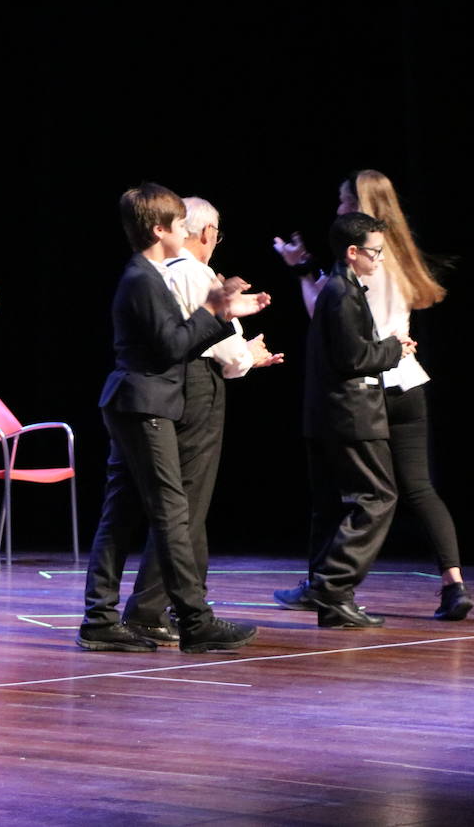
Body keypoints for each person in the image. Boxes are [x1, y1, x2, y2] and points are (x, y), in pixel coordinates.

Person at [272, 170, 471, 620]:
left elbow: (322, 313)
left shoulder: (359, 263)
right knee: (418, 488)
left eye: (343, 201)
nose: (339, 208)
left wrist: (302, 269)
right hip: (409, 382)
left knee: (349, 496)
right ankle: (453, 583)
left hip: (370, 387)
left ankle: (327, 585)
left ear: (358, 204)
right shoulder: (399, 256)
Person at [78, 183, 263, 655]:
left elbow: (173, 339)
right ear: (160, 229)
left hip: (137, 402)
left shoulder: (149, 274)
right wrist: (212, 310)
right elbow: (170, 346)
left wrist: (221, 312)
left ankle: (100, 619)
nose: (188, 232)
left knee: (121, 514)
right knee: (171, 511)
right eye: (181, 224)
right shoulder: (143, 277)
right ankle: (195, 621)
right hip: (145, 404)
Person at [121, 197, 283, 643]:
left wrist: (244, 354)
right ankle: (157, 608)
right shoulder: (194, 272)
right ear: (206, 232)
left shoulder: (166, 272)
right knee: (185, 508)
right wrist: (247, 356)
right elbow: (222, 346)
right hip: (196, 386)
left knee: (181, 507)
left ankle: (174, 606)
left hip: (181, 387)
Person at [290, 211, 414, 627]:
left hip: (328, 414)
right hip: (351, 413)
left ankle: (330, 596)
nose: (379, 259)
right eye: (375, 252)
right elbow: (354, 358)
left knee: (330, 506)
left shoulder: (341, 289)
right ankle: (331, 585)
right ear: (352, 252)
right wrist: (395, 349)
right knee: (377, 497)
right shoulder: (342, 292)